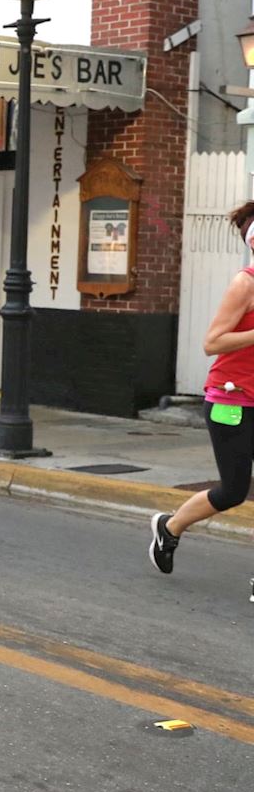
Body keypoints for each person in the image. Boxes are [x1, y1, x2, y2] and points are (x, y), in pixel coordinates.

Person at [150, 199, 254, 575]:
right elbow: (212, 342)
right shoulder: (245, 284)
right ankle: (170, 526)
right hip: (233, 401)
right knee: (232, 492)